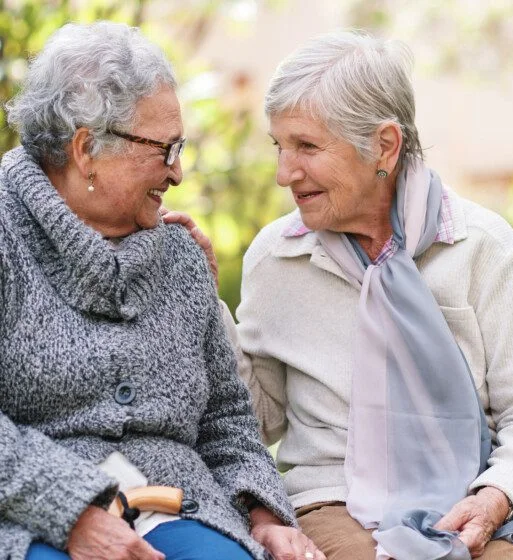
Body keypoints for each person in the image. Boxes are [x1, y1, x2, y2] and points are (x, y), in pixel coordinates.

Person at [169, 31, 513, 560]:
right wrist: (206, 304)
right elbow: (257, 419)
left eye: (307, 146)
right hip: (333, 500)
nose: (283, 173)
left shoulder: (481, 246)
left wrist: (495, 498)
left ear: (384, 146)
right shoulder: (276, 258)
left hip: (480, 493)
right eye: (280, 146)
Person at [0, 22, 323, 560]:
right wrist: (72, 508)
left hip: (181, 505)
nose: (177, 172)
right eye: (165, 149)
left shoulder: (178, 255)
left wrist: (265, 515)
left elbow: (227, 418)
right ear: (86, 150)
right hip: (30, 513)